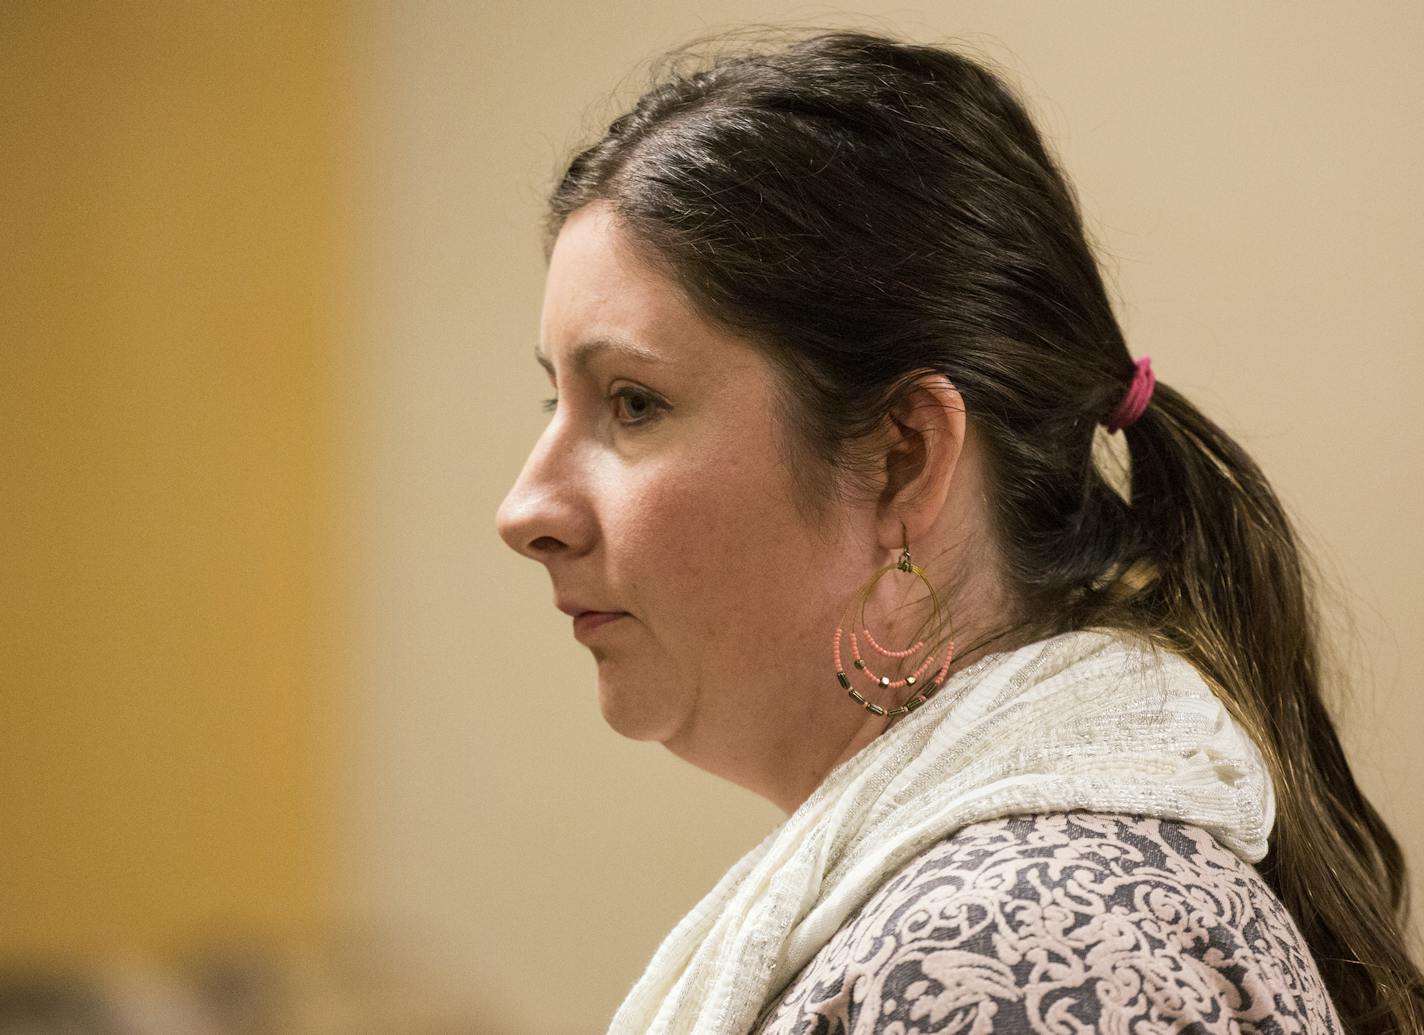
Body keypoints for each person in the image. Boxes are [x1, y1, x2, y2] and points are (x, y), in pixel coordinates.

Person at [495, 28, 1424, 1035]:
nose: (525, 509)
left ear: (902, 455)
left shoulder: (1018, 947)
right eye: (557, 401)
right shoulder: (1011, 907)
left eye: (631, 403)